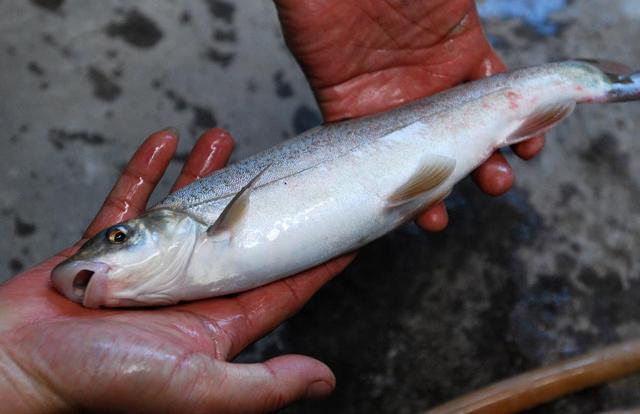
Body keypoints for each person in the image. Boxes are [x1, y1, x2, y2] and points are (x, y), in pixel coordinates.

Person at [0, 1, 544, 412]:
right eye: (116, 241)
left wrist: (18, 369)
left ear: (174, 222)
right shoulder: (179, 275)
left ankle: (560, 86)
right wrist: (18, 371)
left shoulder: (201, 241)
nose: (104, 253)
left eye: (121, 238)